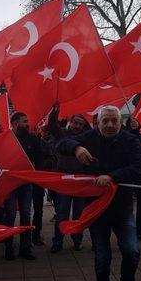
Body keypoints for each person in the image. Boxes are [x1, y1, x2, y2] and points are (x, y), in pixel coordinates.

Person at [57, 106, 141, 281]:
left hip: (122, 208)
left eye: (114, 120)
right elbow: (61, 142)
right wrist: (76, 148)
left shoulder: (130, 141)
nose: (109, 125)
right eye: (105, 120)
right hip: (96, 209)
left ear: (120, 122)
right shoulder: (88, 138)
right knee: (102, 257)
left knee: (131, 251)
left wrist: (113, 177)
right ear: (97, 122)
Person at [45, 106, 89, 253]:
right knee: (62, 213)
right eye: (75, 122)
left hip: (80, 181)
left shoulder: (86, 137)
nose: (77, 126)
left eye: (80, 124)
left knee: (78, 214)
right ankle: (58, 242)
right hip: (64, 180)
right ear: (70, 122)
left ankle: (77, 240)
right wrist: (55, 111)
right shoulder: (62, 134)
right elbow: (51, 125)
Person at [3, 112, 44, 261]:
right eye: (24, 121)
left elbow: (39, 158)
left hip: (26, 183)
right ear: (14, 123)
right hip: (10, 183)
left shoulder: (33, 138)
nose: (27, 124)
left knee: (26, 214)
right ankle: (9, 248)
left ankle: (26, 248)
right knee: (10, 215)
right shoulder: (6, 139)